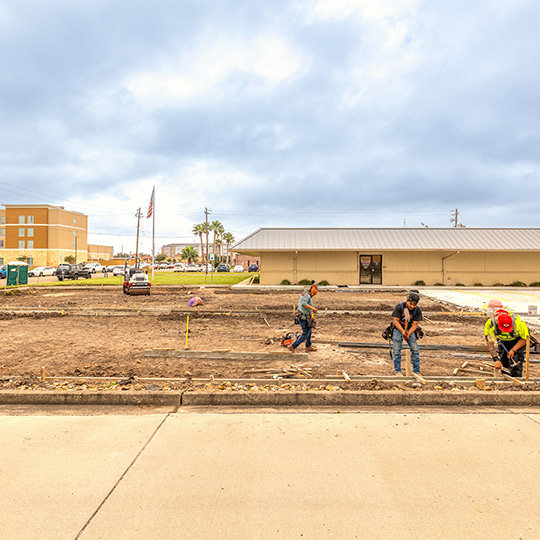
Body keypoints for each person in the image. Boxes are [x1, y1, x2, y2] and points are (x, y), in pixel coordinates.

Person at [484, 308, 529, 377]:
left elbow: (525, 339)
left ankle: (516, 379)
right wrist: (495, 359)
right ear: (497, 321)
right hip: (502, 341)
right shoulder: (490, 324)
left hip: (517, 341)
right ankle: (506, 379)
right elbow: (490, 342)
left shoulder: (519, 323)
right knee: (503, 362)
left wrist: (513, 350)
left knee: (516, 362)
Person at [391, 291, 422, 375]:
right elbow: (396, 321)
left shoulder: (417, 310)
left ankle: (416, 371)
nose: (412, 306)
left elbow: (415, 325)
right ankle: (397, 371)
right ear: (407, 300)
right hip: (398, 329)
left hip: (410, 330)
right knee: (396, 351)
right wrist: (403, 332)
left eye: (414, 305)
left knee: (415, 350)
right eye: (410, 304)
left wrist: (408, 334)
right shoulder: (399, 307)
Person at [288, 284, 318, 352]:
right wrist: (313, 308)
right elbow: (304, 304)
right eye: (313, 293)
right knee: (305, 334)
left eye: (315, 294)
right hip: (303, 318)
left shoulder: (308, 296)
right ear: (310, 291)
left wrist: (312, 316)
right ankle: (293, 345)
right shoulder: (307, 296)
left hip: (306, 317)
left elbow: (307, 308)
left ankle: (308, 346)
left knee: (309, 332)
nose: (313, 294)